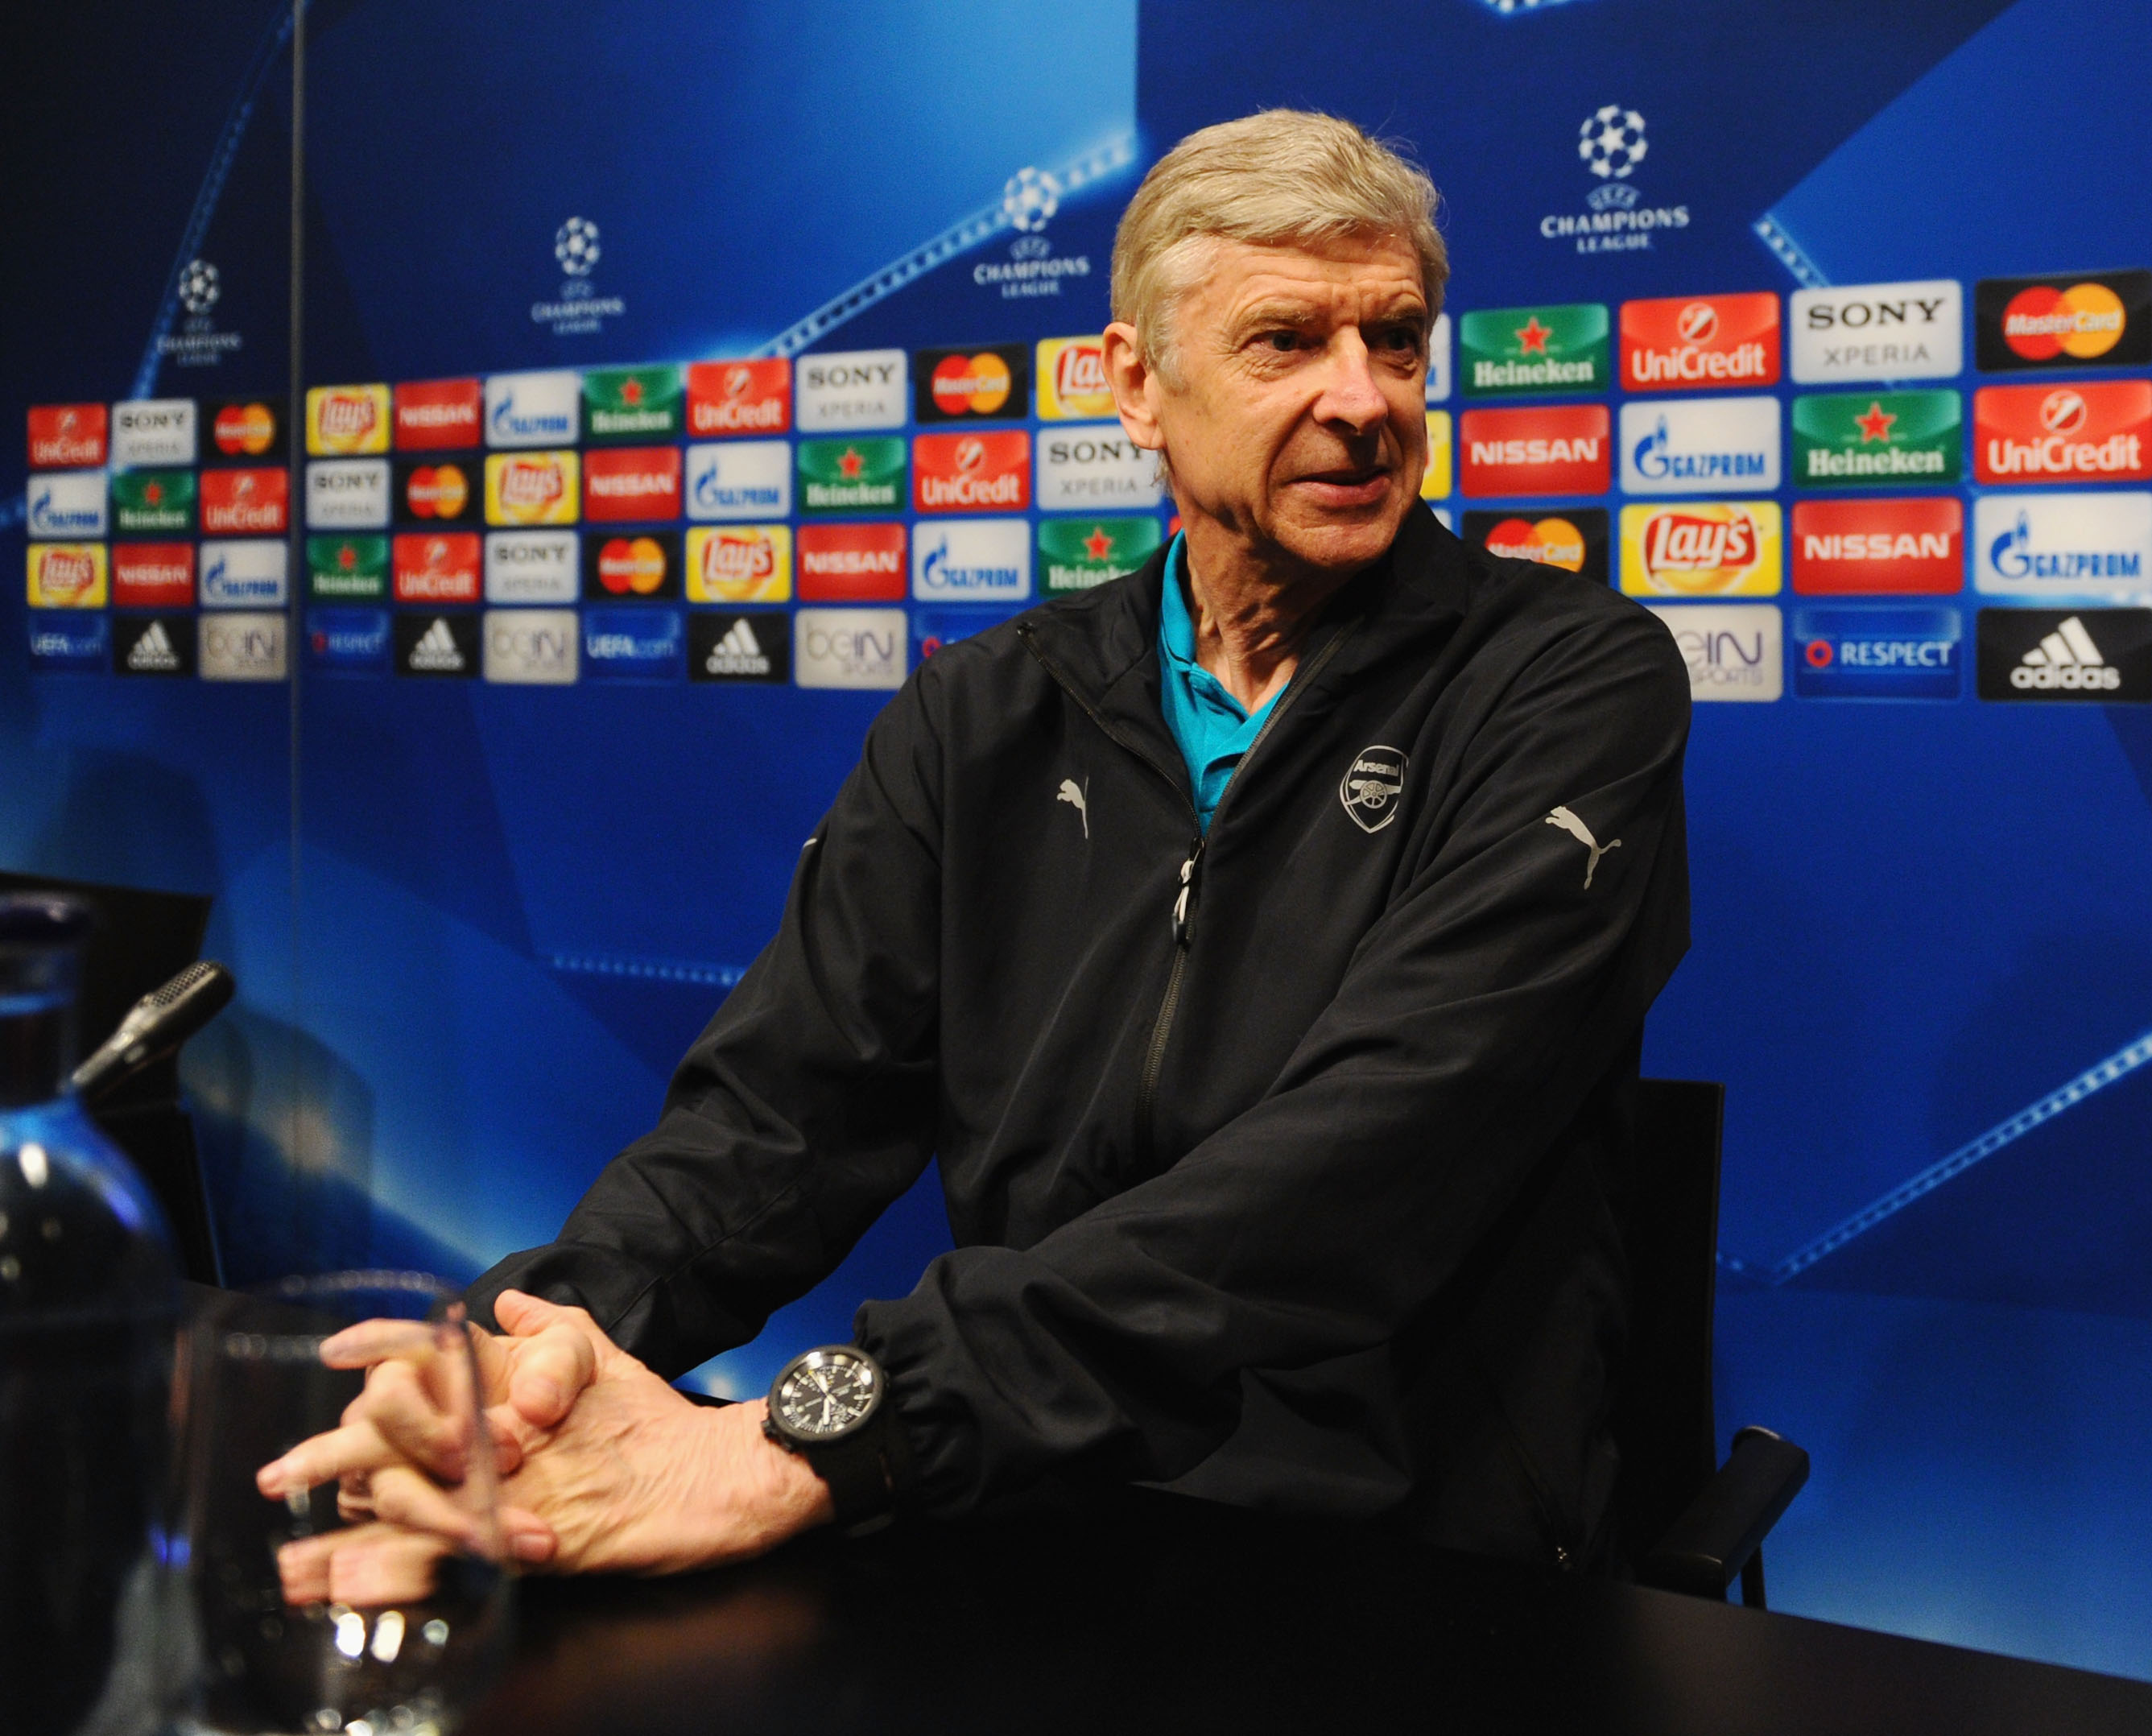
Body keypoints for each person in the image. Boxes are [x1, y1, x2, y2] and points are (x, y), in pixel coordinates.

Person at [260, 109, 1691, 1595]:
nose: (1362, 399)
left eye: (1395, 340)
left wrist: (824, 1437)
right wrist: (525, 1360)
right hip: (1031, 1505)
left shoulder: (1571, 683)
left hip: (1399, 1560)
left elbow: (1357, 1173)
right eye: (1287, 342)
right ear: (1135, 385)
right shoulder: (990, 708)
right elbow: (775, 1122)